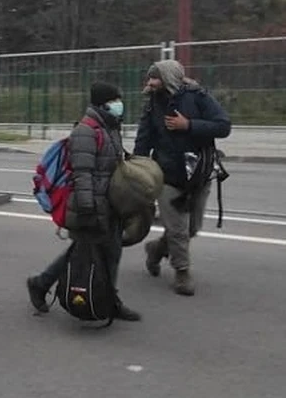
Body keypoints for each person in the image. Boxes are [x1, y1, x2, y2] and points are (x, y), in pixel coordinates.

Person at [26, 82, 141, 321]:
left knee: (106, 251)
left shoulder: (110, 127)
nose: (120, 104)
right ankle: (43, 283)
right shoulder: (86, 131)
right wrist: (88, 208)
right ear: (103, 103)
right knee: (90, 251)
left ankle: (45, 283)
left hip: (110, 204)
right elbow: (82, 174)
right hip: (91, 205)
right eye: (115, 100)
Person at [134, 60, 232, 296]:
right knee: (177, 229)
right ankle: (182, 272)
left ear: (167, 78)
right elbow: (143, 139)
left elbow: (223, 126)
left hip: (198, 173)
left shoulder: (198, 97)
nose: (150, 84)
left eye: (154, 78)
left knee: (192, 228)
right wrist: (139, 170)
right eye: (149, 79)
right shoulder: (152, 105)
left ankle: (156, 249)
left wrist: (188, 125)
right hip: (166, 175)